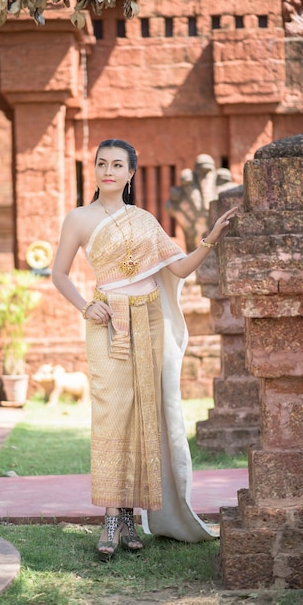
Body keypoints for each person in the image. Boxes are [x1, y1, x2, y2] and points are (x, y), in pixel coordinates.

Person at [52, 139, 237, 561]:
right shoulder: (79, 219)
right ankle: (111, 516)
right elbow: (59, 274)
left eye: (118, 164)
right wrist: (86, 305)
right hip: (107, 321)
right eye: (101, 163)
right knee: (111, 410)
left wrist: (210, 239)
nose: (108, 171)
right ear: (94, 169)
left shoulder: (144, 220)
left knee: (143, 412)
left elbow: (178, 268)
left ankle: (131, 515)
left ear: (131, 173)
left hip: (149, 317)